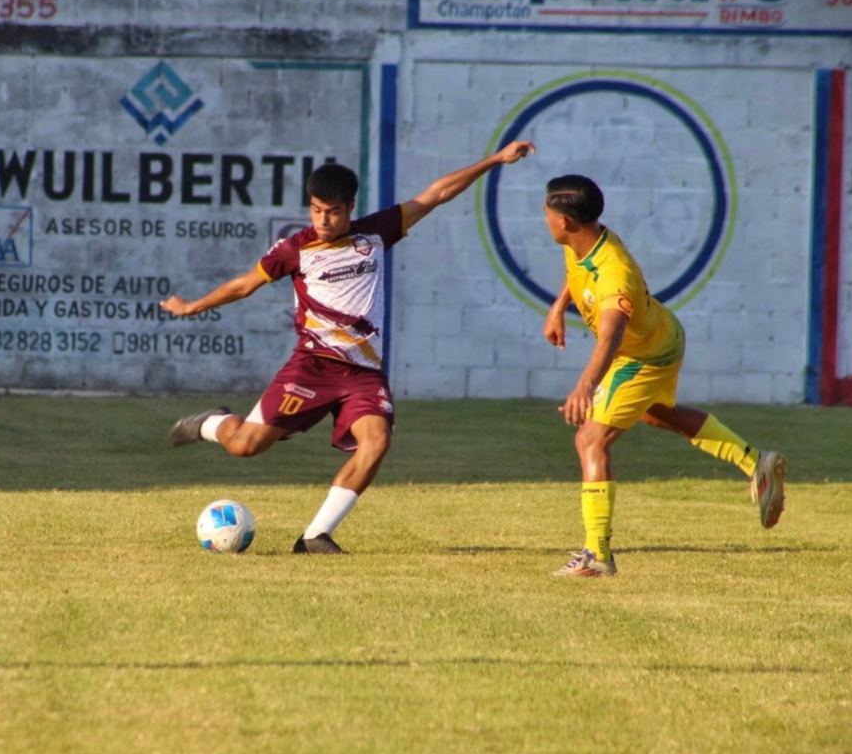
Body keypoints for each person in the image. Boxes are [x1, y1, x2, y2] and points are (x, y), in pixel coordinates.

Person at [161, 140, 538, 554]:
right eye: (316, 209)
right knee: (245, 446)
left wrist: (495, 160)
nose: (323, 219)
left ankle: (314, 536)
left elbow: (437, 194)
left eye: (333, 211)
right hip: (312, 367)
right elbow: (244, 284)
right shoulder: (296, 249)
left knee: (377, 441)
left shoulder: (375, 234)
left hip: (363, 374)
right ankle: (211, 423)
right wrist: (194, 305)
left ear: (350, 207)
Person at [540, 174, 787, 577]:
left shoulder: (614, 270)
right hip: (659, 338)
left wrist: (585, 385)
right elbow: (577, 271)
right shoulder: (586, 238)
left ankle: (596, 555)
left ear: (566, 221)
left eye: (547, 214)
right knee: (656, 413)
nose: (545, 220)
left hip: (643, 356)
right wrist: (557, 307)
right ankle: (756, 462)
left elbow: (612, 334)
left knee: (590, 439)